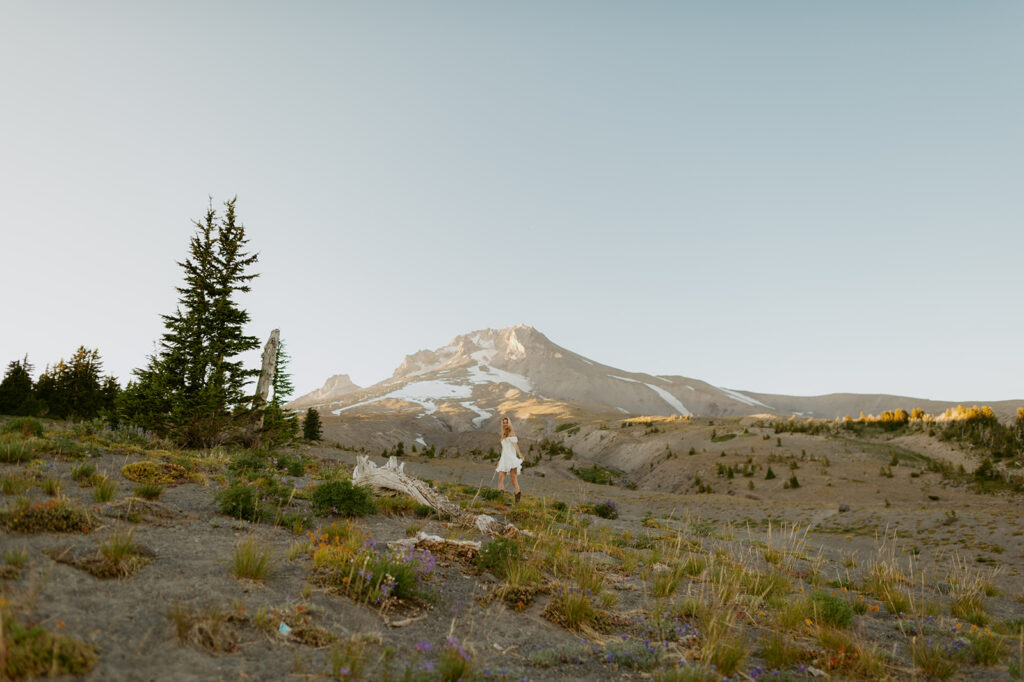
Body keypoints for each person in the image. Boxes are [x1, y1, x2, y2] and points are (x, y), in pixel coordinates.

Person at [496, 416, 524, 503]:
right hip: (504, 459)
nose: (505, 424)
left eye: (506, 422)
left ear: (509, 423)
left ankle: (517, 496)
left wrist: (520, 455)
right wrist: (500, 461)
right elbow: (504, 449)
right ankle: (500, 498)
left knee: (513, 479)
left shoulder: (511, 432)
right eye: (503, 422)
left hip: (511, 459)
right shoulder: (503, 434)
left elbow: (515, 445)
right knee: (500, 478)